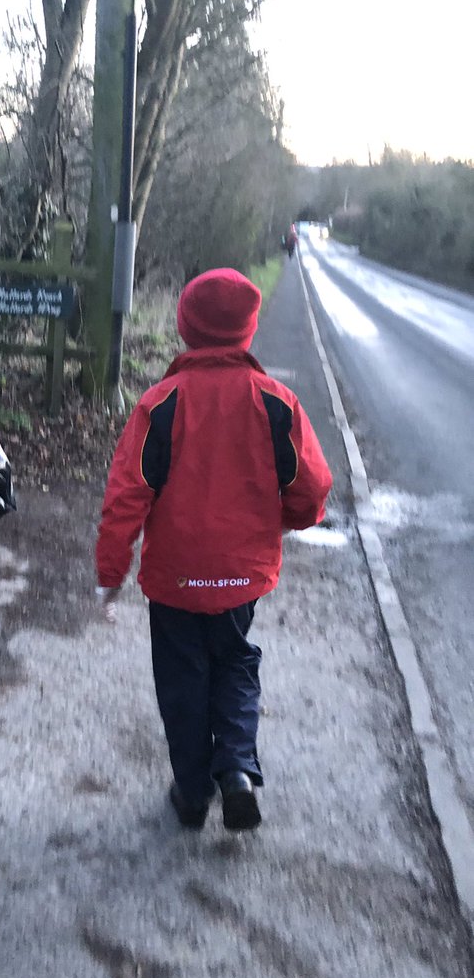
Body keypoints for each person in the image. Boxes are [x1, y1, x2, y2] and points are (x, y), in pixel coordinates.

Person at [95, 268, 332, 832]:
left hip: (175, 579)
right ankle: (237, 769)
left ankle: (194, 793)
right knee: (235, 662)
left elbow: (126, 496)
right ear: (248, 331)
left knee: (182, 680)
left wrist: (111, 571)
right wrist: (291, 520)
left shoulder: (161, 403)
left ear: (185, 327)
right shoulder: (277, 403)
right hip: (240, 575)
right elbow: (314, 486)